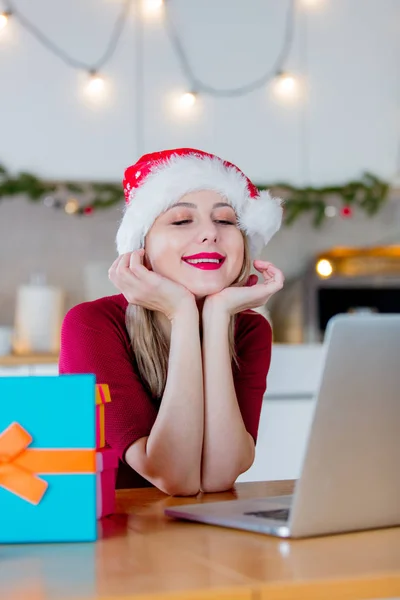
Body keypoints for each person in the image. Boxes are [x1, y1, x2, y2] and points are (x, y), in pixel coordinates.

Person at [59, 148, 284, 496]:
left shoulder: (251, 329)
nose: (211, 233)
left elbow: (219, 478)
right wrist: (181, 313)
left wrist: (217, 314)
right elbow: (173, 477)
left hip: (198, 538)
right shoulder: (92, 325)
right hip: (115, 537)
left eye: (226, 220)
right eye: (181, 220)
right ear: (140, 249)